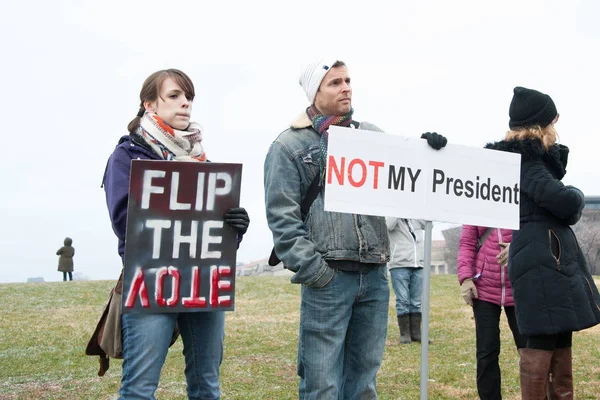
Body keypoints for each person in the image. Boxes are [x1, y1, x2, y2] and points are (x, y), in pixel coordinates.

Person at [263, 58, 447, 399]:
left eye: (348, 80)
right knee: (322, 383)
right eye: (334, 83)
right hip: (328, 278)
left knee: (364, 381)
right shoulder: (288, 146)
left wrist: (427, 150)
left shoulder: (373, 136)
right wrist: (317, 272)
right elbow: (282, 220)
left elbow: (410, 178)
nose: (346, 87)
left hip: (375, 275)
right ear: (314, 92)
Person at [102, 69, 250, 400]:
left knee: (207, 385)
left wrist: (233, 227)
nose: (185, 103)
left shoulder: (202, 160)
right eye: (174, 96)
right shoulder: (127, 156)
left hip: (203, 281)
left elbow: (214, 234)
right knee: (140, 388)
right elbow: (124, 221)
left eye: (189, 97)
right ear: (150, 104)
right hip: (152, 281)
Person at [484, 86, 600, 399]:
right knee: (541, 343)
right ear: (541, 125)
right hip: (542, 263)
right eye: (553, 119)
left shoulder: (533, 163)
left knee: (560, 344)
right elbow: (565, 204)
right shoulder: (528, 164)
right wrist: (575, 192)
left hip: (549, 261)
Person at [457, 226, 526, 399]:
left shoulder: (525, 199)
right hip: (484, 288)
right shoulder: (477, 201)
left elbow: (534, 232)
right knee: (486, 353)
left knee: (530, 351)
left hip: (520, 285)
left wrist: (518, 246)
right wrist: (465, 278)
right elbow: (467, 242)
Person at [386, 218, 427, 344]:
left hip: (419, 263)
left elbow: (428, 224)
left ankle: (416, 333)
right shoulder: (393, 215)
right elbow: (388, 225)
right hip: (399, 264)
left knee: (416, 301)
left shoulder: (415, 216)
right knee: (403, 300)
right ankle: (405, 334)